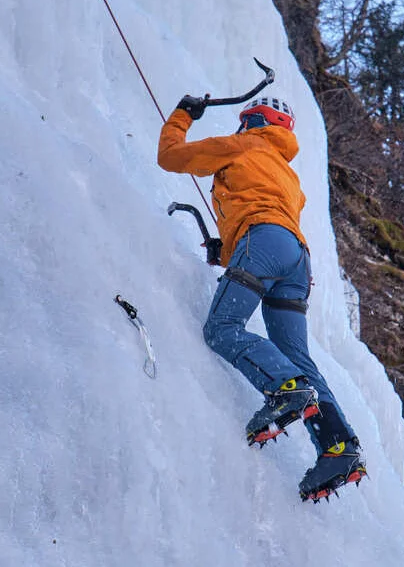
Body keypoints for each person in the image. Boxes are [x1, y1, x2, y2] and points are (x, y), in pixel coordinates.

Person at [157, 93, 366, 502]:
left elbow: (171, 156)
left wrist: (183, 114)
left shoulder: (243, 145)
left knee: (221, 329)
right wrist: (232, 250)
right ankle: (338, 448)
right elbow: (268, 212)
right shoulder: (288, 175)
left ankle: (285, 389)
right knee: (300, 358)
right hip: (297, 260)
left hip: (265, 243)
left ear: (253, 121)